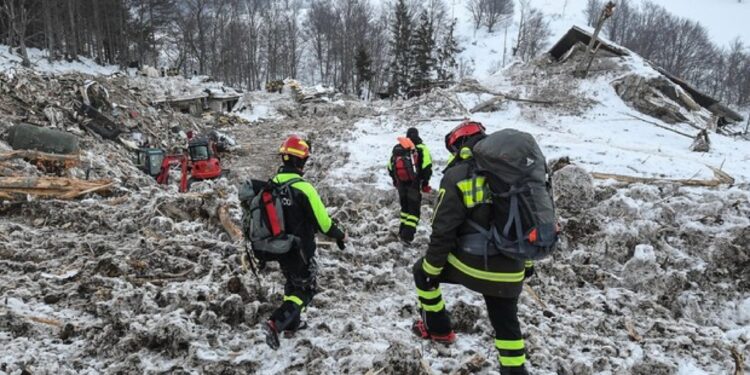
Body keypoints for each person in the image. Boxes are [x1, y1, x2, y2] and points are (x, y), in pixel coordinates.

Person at [411, 121, 535, 375]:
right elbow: (528, 223)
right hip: (512, 268)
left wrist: (431, 270)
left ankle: (439, 329)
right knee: (506, 321)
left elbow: (443, 232)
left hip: (472, 265)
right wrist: (528, 265)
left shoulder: (458, 175)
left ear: (458, 146)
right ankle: (515, 369)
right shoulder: (513, 172)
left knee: (420, 271)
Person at [247, 135, 347, 349]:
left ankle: (293, 323)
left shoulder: (270, 185)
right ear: (300, 162)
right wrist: (340, 235)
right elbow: (324, 224)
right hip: (301, 249)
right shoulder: (304, 188)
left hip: (280, 245)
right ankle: (276, 322)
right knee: (305, 290)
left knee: (292, 282)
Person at [386, 127, 433, 243]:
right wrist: (425, 183)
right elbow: (427, 167)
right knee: (414, 213)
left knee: (405, 210)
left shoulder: (399, 149)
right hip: (414, 184)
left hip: (401, 184)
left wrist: (395, 180)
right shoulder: (421, 148)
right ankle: (407, 238)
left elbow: (390, 166)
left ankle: (402, 232)